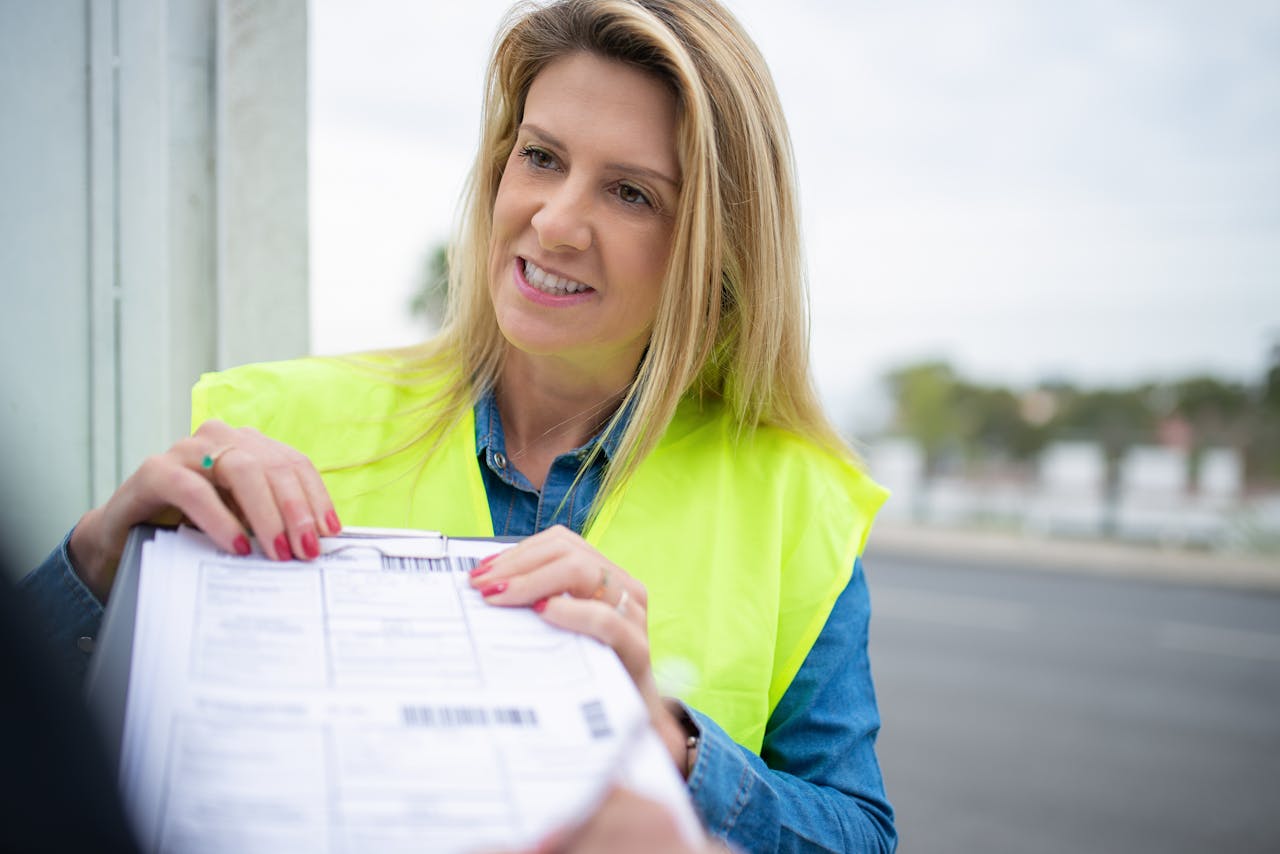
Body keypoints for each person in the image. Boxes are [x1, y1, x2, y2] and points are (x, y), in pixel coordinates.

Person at [20, 0, 895, 850]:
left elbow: (860, 834)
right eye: (542, 157)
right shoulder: (271, 422)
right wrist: (94, 564)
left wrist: (673, 744)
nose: (554, 223)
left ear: (716, 248)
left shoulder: (794, 503)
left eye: (630, 193)